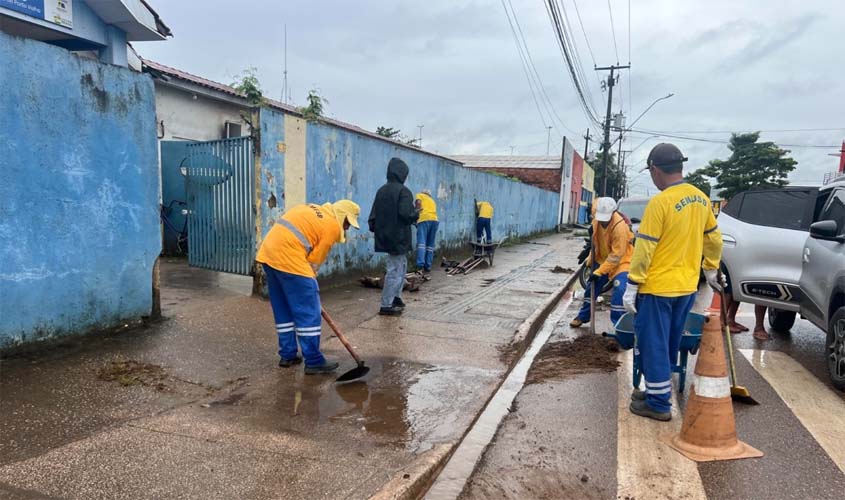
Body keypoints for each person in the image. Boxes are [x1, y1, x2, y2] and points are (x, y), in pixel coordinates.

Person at [623, 143, 724, 421]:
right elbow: (714, 239)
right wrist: (711, 269)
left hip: (658, 287)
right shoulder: (701, 199)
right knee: (669, 342)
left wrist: (633, 284)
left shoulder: (661, 202)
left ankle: (658, 404)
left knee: (653, 342)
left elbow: (644, 247)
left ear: (655, 170)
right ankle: (659, 389)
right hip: (687, 287)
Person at [255, 200, 361, 374]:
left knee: (283, 309)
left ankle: (287, 354)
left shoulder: (313, 210)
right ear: (341, 215)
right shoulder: (332, 225)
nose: (347, 227)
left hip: (269, 256)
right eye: (348, 222)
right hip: (290, 258)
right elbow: (313, 262)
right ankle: (313, 360)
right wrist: (310, 287)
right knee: (309, 310)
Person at [570, 197, 634, 328]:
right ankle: (583, 316)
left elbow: (617, 255)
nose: (603, 222)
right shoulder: (597, 215)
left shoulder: (619, 228)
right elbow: (596, 242)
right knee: (591, 288)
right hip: (603, 259)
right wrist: (590, 259)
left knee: (620, 289)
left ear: (613, 213)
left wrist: (599, 271)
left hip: (621, 262)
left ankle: (618, 326)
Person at [369, 158, 419, 316]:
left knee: (401, 266)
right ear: (403, 174)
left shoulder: (381, 190)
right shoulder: (404, 191)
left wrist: (378, 230)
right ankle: (386, 304)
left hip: (385, 236)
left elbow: (373, 216)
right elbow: (406, 214)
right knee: (396, 270)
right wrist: (416, 212)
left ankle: (396, 297)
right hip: (399, 237)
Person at [414, 189, 439, 277]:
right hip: (435, 220)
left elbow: (418, 204)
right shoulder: (432, 200)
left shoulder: (420, 195)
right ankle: (428, 266)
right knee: (430, 245)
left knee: (421, 243)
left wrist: (415, 215)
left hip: (424, 219)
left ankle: (420, 265)